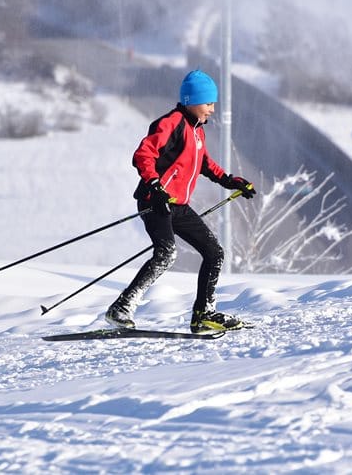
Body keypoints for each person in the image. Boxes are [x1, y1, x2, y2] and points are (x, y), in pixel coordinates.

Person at [105, 69, 256, 333]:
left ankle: (203, 315)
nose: (211, 110)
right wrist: (155, 184)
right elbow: (143, 154)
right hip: (156, 201)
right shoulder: (172, 123)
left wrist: (231, 181)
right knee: (166, 253)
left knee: (214, 253)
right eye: (208, 103)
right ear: (191, 101)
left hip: (178, 205)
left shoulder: (197, 131)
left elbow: (204, 164)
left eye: (213, 104)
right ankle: (122, 307)